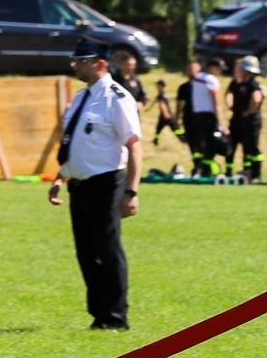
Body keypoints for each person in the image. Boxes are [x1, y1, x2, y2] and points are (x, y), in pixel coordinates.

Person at [47, 40, 141, 330]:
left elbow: (135, 146)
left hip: (107, 183)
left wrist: (131, 191)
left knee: (108, 250)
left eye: (82, 60)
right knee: (86, 252)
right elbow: (75, 142)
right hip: (80, 183)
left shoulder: (117, 98)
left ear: (100, 63)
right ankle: (99, 315)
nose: (75, 65)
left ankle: (115, 317)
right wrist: (61, 176)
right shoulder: (80, 98)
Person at [177, 60, 221, 178]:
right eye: (189, 69)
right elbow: (180, 105)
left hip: (202, 117)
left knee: (206, 143)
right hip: (190, 118)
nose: (191, 72)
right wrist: (177, 119)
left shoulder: (205, 83)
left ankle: (205, 169)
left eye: (194, 69)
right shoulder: (184, 87)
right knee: (194, 145)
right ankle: (197, 167)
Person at [227, 56, 267, 181]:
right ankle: (249, 172)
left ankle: (256, 174)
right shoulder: (244, 83)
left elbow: (256, 99)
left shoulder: (253, 84)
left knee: (252, 148)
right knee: (248, 147)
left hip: (252, 121)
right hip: (245, 121)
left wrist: (249, 111)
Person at [149, 79, 176, 146]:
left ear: (161, 86)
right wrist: (148, 108)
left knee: (174, 128)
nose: (156, 87)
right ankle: (155, 140)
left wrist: (165, 113)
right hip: (166, 116)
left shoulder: (162, 95)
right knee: (158, 128)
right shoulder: (162, 94)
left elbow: (162, 104)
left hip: (166, 116)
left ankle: (183, 138)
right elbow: (155, 101)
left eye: (157, 85)